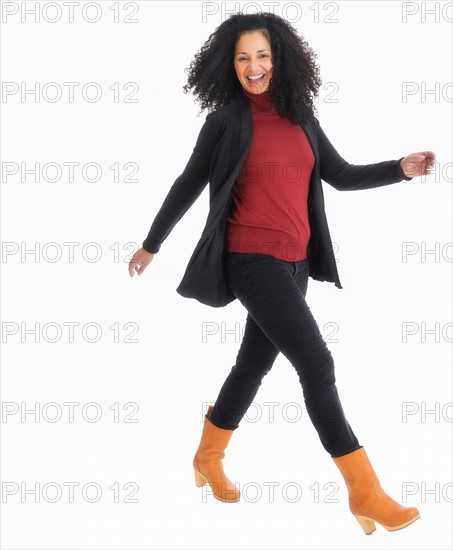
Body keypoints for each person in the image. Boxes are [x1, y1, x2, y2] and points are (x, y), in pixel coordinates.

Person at [128, 12, 435, 535]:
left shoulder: (302, 115)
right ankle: (364, 489)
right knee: (318, 365)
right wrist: (151, 244)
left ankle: (207, 455)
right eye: (243, 57)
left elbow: (338, 176)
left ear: (281, 59)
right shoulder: (226, 120)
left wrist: (397, 169)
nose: (254, 66)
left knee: (252, 366)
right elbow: (188, 182)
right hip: (250, 259)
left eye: (263, 55)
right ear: (230, 64)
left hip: (296, 266)